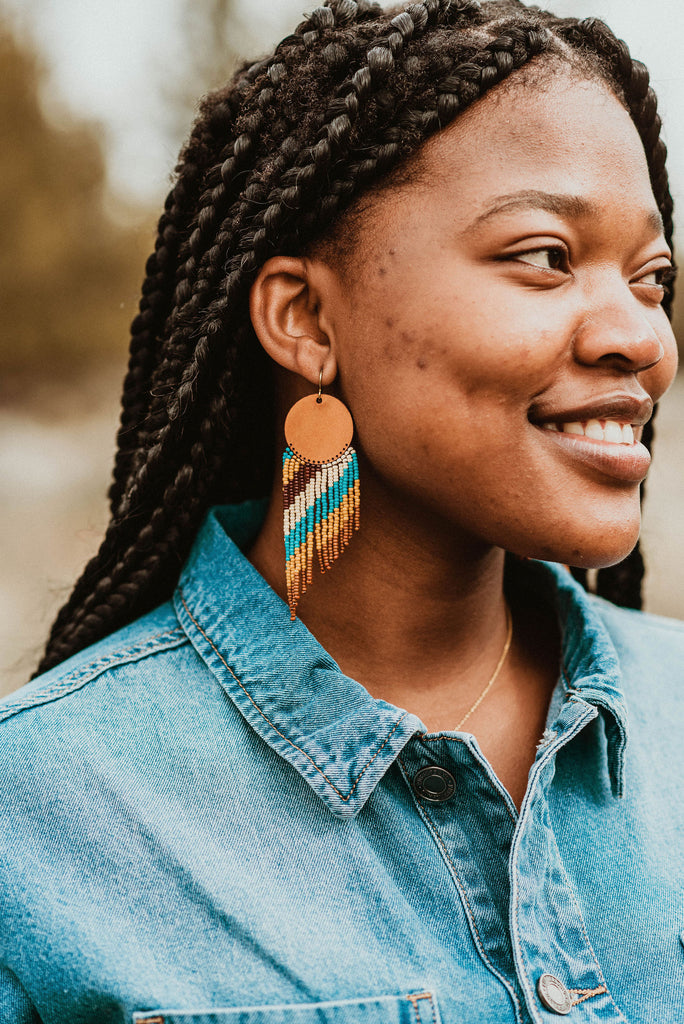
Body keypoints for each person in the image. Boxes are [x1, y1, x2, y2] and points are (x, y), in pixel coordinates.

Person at [1, 0, 683, 1020]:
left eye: (653, 277)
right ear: (306, 319)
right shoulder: (40, 815)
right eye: (545, 255)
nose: (642, 338)